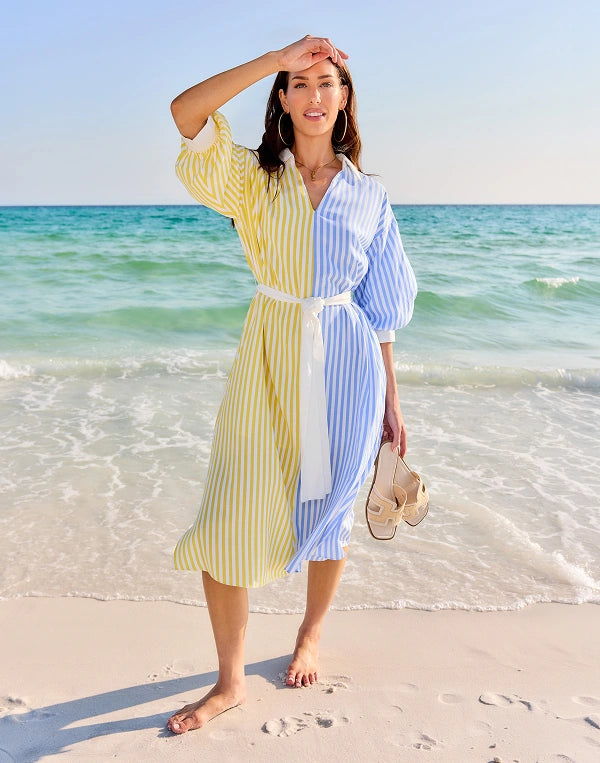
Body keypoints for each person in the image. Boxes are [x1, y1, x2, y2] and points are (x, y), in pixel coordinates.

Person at [167, 35, 417, 735]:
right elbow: (186, 113)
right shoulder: (253, 180)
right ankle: (229, 680)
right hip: (268, 355)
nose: (313, 96)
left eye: (325, 84)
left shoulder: (370, 196)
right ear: (282, 97)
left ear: (344, 100)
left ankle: (309, 633)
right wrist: (273, 57)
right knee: (228, 514)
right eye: (298, 84)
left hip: (347, 360)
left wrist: (393, 402)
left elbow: (383, 305)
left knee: (330, 508)